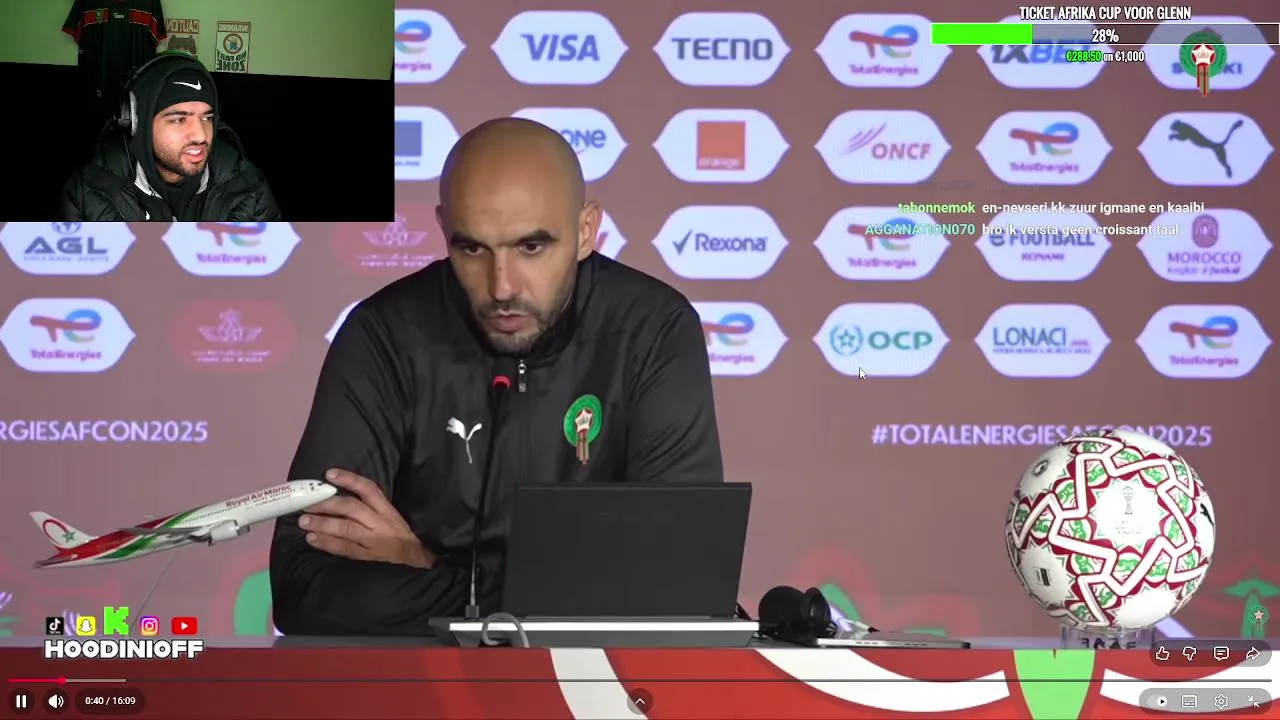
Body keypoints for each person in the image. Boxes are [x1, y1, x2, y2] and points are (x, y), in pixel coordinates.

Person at [269, 118, 724, 635]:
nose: (502, 287)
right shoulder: (384, 334)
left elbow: (676, 584)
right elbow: (303, 585)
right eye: (472, 249)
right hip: (423, 678)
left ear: (585, 232)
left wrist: (428, 570)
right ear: (444, 228)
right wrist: (512, 598)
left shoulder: (653, 329)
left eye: (531, 247)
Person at [59, 52, 279, 221]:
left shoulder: (248, 188)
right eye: (178, 119)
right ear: (137, 123)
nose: (200, 135)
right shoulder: (89, 193)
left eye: (207, 118)